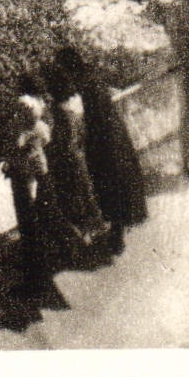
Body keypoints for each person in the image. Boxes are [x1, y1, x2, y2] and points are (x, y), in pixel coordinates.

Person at [52, 46, 149, 255]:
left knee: (110, 182)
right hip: (113, 132)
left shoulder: (85, 83)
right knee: (118, 179)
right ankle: (120, 227)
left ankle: (117, 234)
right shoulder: (91, 75)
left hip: (103, 137)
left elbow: (92, 115)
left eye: (61, 66)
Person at [3, 88, 68, 305]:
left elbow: (14, 155)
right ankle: (57, 258)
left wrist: (11, 165)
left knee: (31, 228)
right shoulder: (41, 127)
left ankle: (37, 280)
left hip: (26, 182)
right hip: (43, 176)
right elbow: (46, 141)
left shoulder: (19, 134)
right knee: (48, 219)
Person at [44, 59, 111, 250]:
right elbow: (80, 132)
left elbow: (64, 140)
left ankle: (91, 234)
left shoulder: (60, 112)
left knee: (78, 194)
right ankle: (97, 230)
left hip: (69, 158)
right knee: (86, 192)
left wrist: (55, 151)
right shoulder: (71, 109)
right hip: (77, 155)